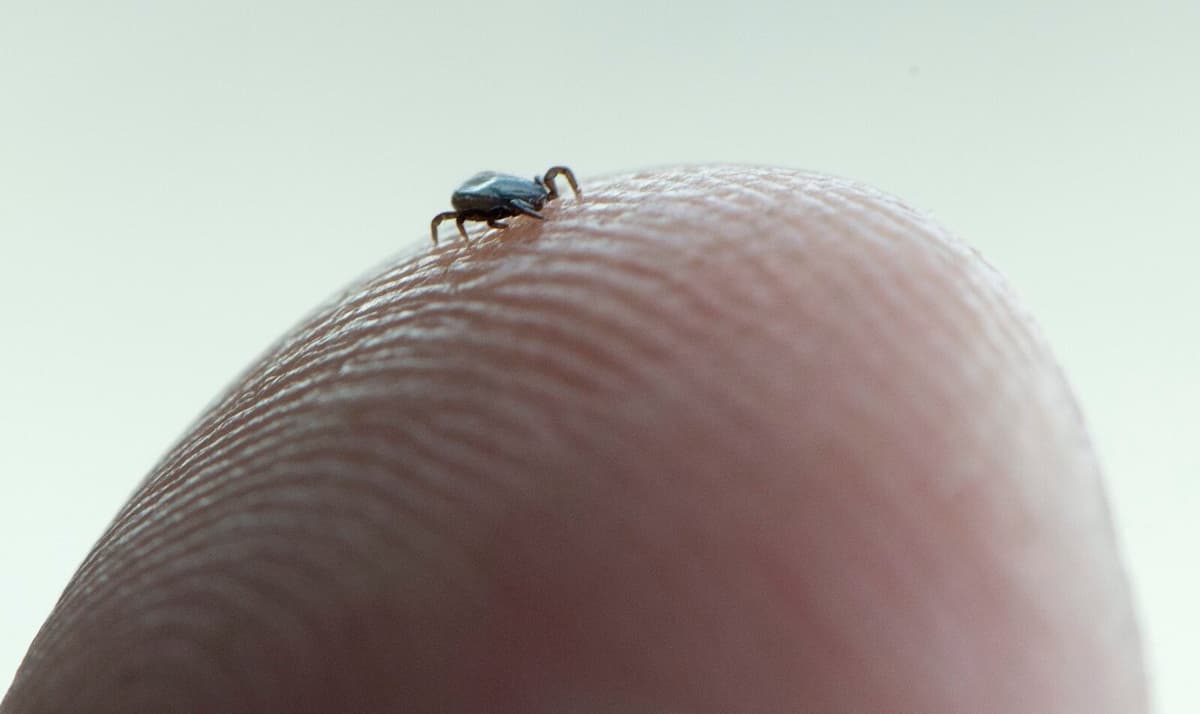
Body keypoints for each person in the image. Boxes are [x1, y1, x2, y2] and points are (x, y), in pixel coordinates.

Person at [2, 166, 1148, 712]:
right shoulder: (495, 215)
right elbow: (472, 211)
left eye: (536, 212)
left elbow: (496, 204)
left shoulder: (518, 208)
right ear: (505, 215)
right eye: (520, 216)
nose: (528, 220)